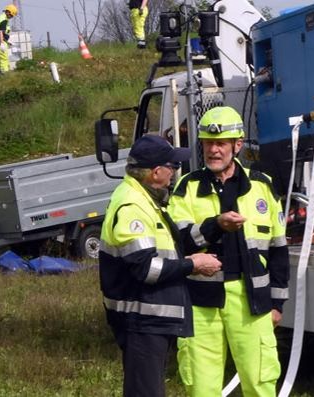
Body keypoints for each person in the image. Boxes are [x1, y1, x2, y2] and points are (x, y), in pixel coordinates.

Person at [169, 106, 289, 397]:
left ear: (237, 145)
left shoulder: (262, 186)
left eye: (221, 143)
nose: (214, 150)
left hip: (251, 301)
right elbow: (178, 243)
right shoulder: (187, 187)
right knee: (201, 386)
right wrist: (215, 226)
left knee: (260, 383)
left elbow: (278, 250)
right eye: (208, 143)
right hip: (200, 303)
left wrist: (277, 304)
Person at [100, 135, 222, 397]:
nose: (175, 173)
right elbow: (146, 269)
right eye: (173, 167)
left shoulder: (144, 198)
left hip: (149, 319)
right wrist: (193, 265)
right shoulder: (132, 205)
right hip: (141, 320)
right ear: (156, 172)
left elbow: (175, 244)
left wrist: (216, 226)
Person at [0, 4, 18, 74]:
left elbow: (0, 32)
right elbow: (0, 31)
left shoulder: (1, 17)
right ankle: (5, 74)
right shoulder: (4, 20)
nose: (12, 17)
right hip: (0, 42)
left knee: (0, 59)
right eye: (11, 15)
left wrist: (7, 42)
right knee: (4, 59)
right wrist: (2, 43)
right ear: (8, 12)